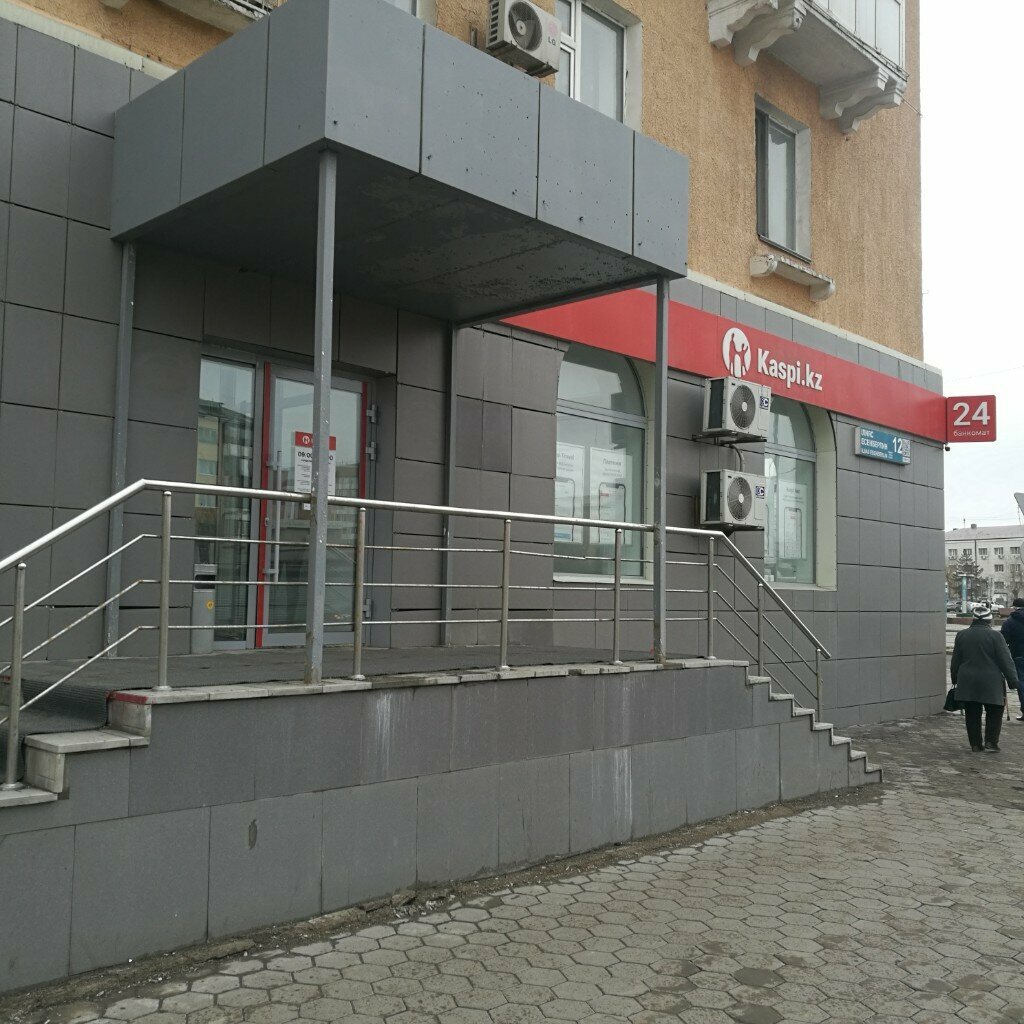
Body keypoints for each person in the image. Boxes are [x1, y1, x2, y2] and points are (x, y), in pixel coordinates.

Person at [951, 604, 1018, 752]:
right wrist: (1013, 681)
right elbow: (1005, 660)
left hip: (967, 680)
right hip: (991, 681)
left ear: (973, 620)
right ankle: (991, 742)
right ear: (989, 620)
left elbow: (955, 660)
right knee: (995, 710)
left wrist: (954, 678)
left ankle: (975, 744)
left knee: (972, 713)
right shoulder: (996, 636)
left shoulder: (961, 635)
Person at [1000, 597, 1024, 721]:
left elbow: (1003, 641)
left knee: (1021, 682)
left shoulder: (1009, 621)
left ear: (1014, 607)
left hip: (1018, 655)